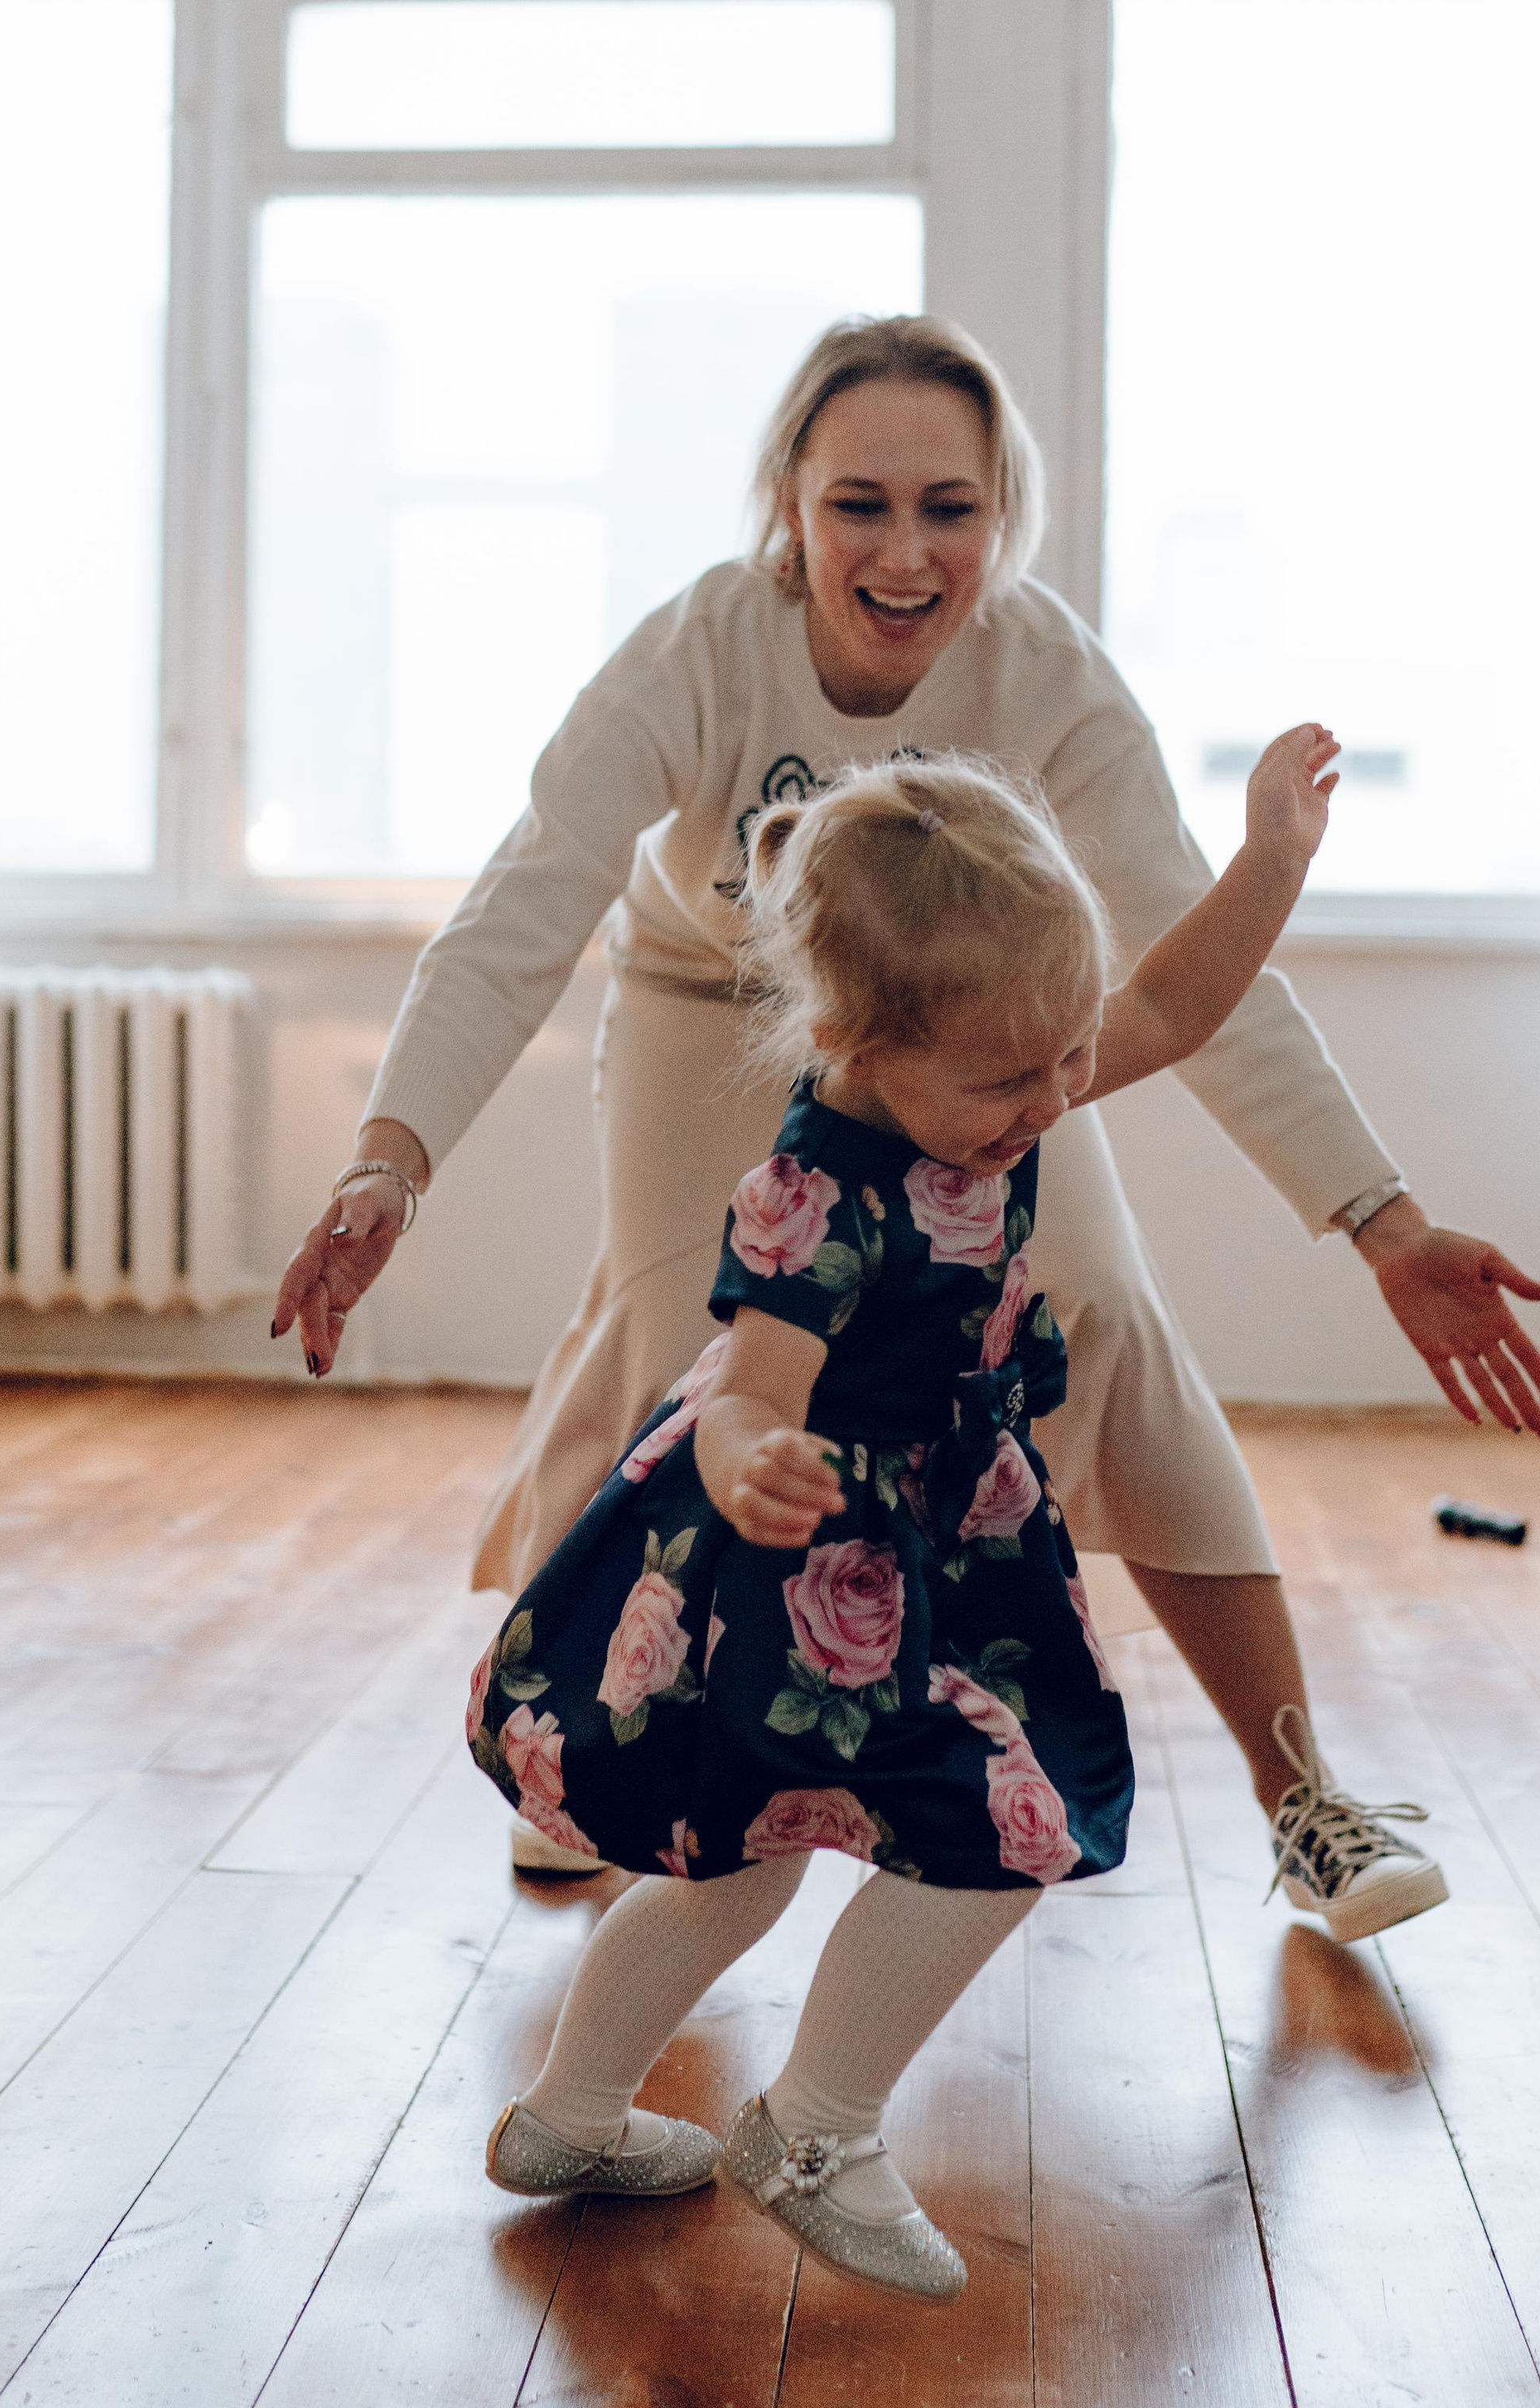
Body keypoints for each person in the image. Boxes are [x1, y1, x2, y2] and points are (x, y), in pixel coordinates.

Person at [272, 314, 1540, 1937]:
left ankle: (1300, 1796)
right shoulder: (699, 650)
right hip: (711, 1001)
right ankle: (587, 1755)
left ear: (1000, 517)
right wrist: (388, 1160)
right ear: (789, 507)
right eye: (858, 505)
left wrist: (1384, 1222)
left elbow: (1187, 972)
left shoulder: (1046, 675)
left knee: (1099, 1309)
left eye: (948, 508)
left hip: (972, 1037)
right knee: (696, 1342)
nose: (902, 553)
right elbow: (519, 908)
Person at [474, 735, 1342, 2298]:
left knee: (740, 1863)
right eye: (1012, 1079)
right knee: (1003, 1827)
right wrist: (750, 1456)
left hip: (945, 1525)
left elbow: (1169, 1007)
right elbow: (744, 1386)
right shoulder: (817, 1192)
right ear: (853, 1041)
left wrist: (1270, 856)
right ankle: (813, 2128)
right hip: (806, 1547)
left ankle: (567, 2116)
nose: (1052, 1099)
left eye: (1063, 1059)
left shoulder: (997, 1063)